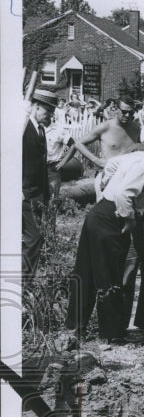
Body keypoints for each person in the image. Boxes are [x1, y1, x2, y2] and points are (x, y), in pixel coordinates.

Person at [64, 139, 144, 345]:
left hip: (99, 214)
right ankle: (110, 335)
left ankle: (75, 328)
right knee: (109, 275)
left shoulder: (140, 157)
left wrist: (105, 184)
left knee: (87, 272)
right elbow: (124, 194)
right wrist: (129, 219)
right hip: (111, 218)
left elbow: (111, 165)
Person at [60, 97, 144, 205]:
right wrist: (96, 160)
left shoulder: (136, 128)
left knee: (126, 211)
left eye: (131, 112)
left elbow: (137, 148)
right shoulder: (105, 127)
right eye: (124, 112)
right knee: (105, 212)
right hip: (108, 177)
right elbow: (78, 143)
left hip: (128, 177)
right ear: (116, 109)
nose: (128, 116)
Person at [22, 88, 57, 284]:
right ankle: (23, 285)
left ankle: (25, 281)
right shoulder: (23, 128)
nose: (49, 116)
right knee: (33, 239)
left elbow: (40, 164)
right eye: (47, 112)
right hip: (25, 192)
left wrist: (46, 193)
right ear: (36, 107)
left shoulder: (40, 129)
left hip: (38, 194)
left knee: (35, 239)